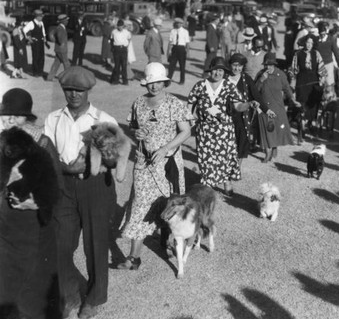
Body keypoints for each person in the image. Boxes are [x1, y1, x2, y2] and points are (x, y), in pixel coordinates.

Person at [44, 66, 118, 319]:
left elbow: (114, 161)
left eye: (79, 90)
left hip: (95, 185)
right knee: (60, 245)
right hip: (63, 185)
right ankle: (70, 293)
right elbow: (48, 156)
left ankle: (94, 298)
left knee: (95, 245)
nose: (74, 94)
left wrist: (93, 160)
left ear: (88, 91)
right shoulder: (53, 118)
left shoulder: (102, 119)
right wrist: (66, 167)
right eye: (69, 89)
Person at [119, 63, 192, 270]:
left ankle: (167, 241)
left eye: (159, 82)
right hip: (144, 162)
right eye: (151, 82)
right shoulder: (138, 103)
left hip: (168, 163)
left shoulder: (174, 103)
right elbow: (134, 127)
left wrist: (166, 148)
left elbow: (185, 131)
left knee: (169, 204)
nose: (155, 86)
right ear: (146, 83)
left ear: (165, 82)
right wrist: (137, 134)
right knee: (140, 203)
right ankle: (134, 257)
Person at [0, 88, 63, 319]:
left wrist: (34, 203)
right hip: (6, 231)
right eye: (6, 114)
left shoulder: (43, 143)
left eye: (16, 115)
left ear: (28, 117)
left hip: (36, 229)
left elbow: (58, 190)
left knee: (37, 293)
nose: (9, 120)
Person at [187, 57, 250, 196]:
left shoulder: (228, 86)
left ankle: (227, 182)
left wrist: (249, 104)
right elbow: (190, 102)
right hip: (205, 130)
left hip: (224, 129)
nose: (217, 73)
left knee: (225, 157)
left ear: (224, 72)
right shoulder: (200, 85)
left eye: (220, 70)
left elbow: (238, 105)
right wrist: (191, 117)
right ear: (210, 70)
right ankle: (207, 183)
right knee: (205, 157)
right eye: (215, 70)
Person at [255, 52, 299, 163]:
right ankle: (267, 152)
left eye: (270, 65)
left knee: (275, 129)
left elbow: (287, 89)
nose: (267, 67)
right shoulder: (261, 74)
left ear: (274, 65)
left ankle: (274, 146)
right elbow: (255, 90)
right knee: (265, 129)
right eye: (266, 65)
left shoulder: (281, 75)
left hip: (277, 106)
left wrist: (293, 100)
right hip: (264, 107)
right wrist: (261, 80)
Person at [227, 53, 267, 162]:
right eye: (234, 65)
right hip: (226, 115)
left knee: (242, 141)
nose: (237, 68)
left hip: (242, 116)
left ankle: (237, 169)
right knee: (227, 142)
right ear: (230, 65)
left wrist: (266, 110)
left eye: (240, 66)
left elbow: (256, 95)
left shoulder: (246, 79)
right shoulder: (224, 78)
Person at [290, 34, 327, 131]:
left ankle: (312, 121)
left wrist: (322, 79)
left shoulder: (316, 53)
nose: (309, 45)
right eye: (307, 42)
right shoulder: (298, 54)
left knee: (313, 100)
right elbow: (293, 69)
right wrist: (292, 81)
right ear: (304, 43)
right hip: (302, 80)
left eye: (311, 43)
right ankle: (302, 121)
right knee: (302, 100)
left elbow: (321, 67)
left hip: (314, 80)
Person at [23, 9, 49, 77]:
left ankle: (40, 71)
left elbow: (43, 32)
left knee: (41, 57)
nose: (42, 17)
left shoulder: (41, 23)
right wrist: (29, 38)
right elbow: (23, 30)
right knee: (36, 57)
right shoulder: (31, 23)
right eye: (41, 16)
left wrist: (45, 39)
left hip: (41, 42)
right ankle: (35, 72)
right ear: (37, 16)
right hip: (35, 43)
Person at [47, 14, 71, 82]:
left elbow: (53, 35)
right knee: (66, 63)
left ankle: (50, 77)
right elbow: (60, 39)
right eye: (66, 20)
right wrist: (62, 42)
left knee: (56, 63)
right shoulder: (60, 28)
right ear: (63, 21)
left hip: (58, 49)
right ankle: (68, 78)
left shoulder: (60, 27)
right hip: (61, 49)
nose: (67, 22)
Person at [167, 18, 190, 84]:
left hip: (181, 49)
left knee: (182, 65)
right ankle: (169, 79)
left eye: (180, 23)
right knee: (172, 65)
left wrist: (188, 52)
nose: (178, 24)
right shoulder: (173, 31)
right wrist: (168, 51)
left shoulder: (185, 31)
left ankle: (182, 80)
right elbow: (170, 41)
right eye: (177, 23)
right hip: (174, 48)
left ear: (182, 24)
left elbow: (187, 42)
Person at [110, 19, 132, 85]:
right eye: (119, 26)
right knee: (117, 66)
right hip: (116, 49)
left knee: (124, 66)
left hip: (123, 49)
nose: (120, 27)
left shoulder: (126, 32)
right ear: (117, 26)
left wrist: (126, 45)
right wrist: (113, 48)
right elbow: (111, 40)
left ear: (123, 26)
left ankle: (125, 81)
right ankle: (116, 80)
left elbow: (129, 38)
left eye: (121, 26)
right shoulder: (114, 32)